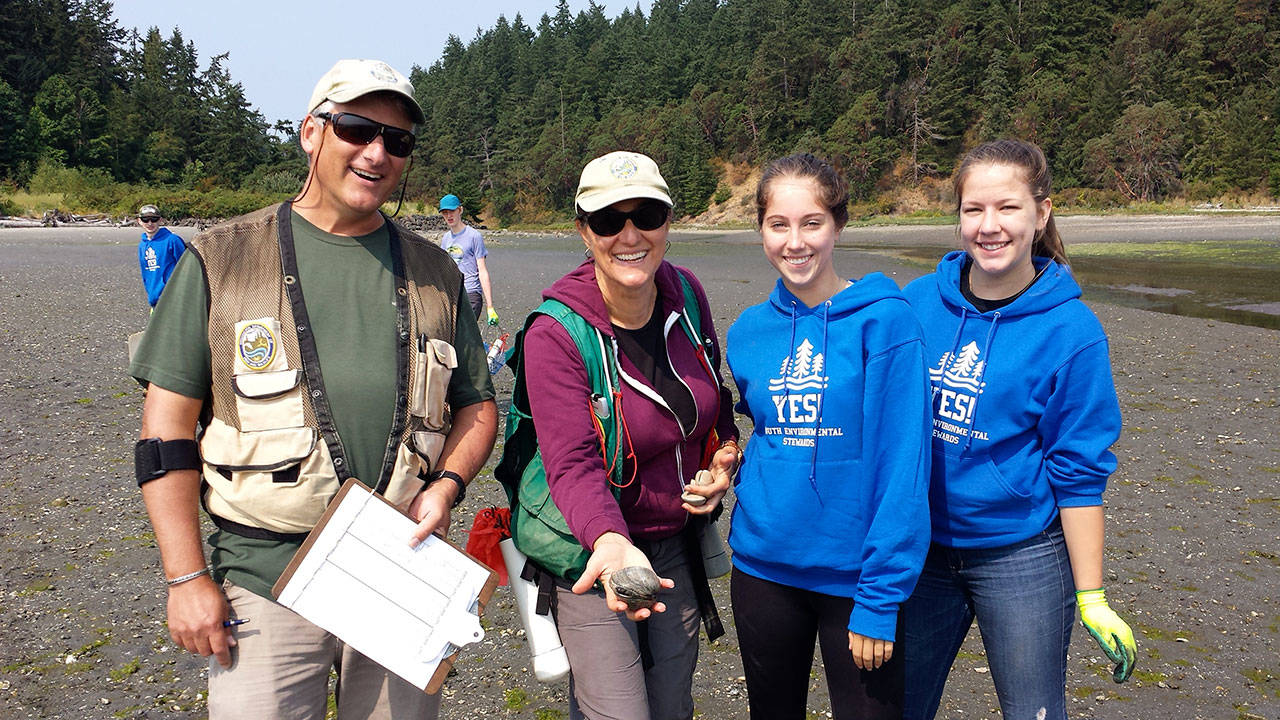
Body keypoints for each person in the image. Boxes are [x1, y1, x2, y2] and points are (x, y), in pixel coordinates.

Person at [128, 58, 497, 720]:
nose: (377, 152)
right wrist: (185, 579)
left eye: (398, 140)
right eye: (357, 128)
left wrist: (447, 487)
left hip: (401, 579)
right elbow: (164, 432)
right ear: (310, 133)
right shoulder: (221, 259)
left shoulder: (436, 272)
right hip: (264, 582)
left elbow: (476, 404)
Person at [899, 139, 1137, 720]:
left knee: (1034, 711)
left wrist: (1093, 595)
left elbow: (1079, 473)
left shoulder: (1072, 332)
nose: (989, 226)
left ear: (1042, 212)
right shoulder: (915, 303)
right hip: (920, 551)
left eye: (1007, 208)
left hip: (1021, 556)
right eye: (973, 209)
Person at [509, 150, 740, 720]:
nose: (630, 235)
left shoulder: (686, 294)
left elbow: (715, 407)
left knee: (671, 706)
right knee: (619, 713)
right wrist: (610, 544)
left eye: (647, 215)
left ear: (668, 221)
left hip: (676, 539)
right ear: (584, 233)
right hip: (589, 550)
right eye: (609, 221)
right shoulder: (555, 333)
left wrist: (723, 464)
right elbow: (571, 464)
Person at [725, 152, 931, 720]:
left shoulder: (887, 323)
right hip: (763, 569)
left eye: (811, 222)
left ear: (838, 225)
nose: (795, 242)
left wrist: (881, 597)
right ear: (762, 230)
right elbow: (754, 430)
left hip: (856, 577)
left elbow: (904, 466)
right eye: (779, 224)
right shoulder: (749, 332)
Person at [439, 193, 498, 326]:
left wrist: (490, 307)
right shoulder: (446, 239)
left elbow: (482, 271)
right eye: (445, 213)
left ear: (460, 210)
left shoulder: (474, 236)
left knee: (463, 333)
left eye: (452, 211)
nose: (449, 216)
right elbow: (444, 270)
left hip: (471, 294)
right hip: (453, 294)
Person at [136, 203, 185, 309]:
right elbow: (146, 274)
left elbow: (186, 268)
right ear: (139, 221)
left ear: (160, 220)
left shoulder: (173, 240)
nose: (150, 223)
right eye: (145, 219)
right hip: (154, 300)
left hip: (172, 299)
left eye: (154, 219)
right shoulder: (142, 245)